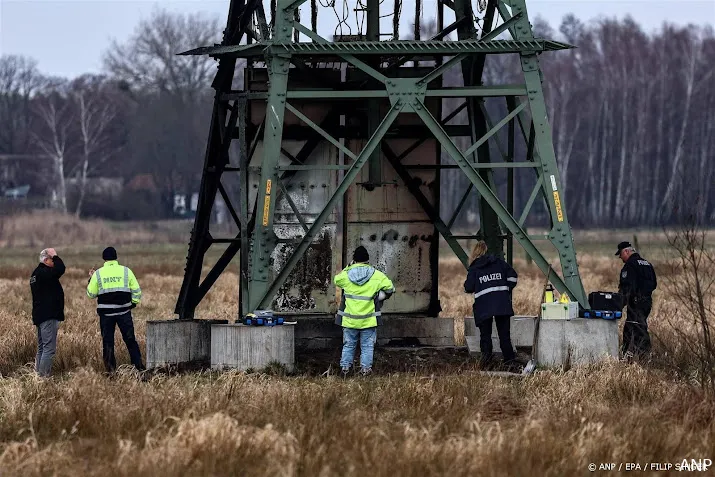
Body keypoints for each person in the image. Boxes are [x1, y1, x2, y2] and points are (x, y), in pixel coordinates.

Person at [334, 246, 395, 377]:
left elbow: (336, 280)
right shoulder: (376, 275)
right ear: (367, 260)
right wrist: (382, 296)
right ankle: (365, 371)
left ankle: (345, 370)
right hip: (369, 320)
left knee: (349, 345)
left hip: (350, 320)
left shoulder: (346, 275)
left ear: (354, 260)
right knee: (367, 346)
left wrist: (348, 267)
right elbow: (390, 288)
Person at [86, 247, 145, 372]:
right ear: (116, 257)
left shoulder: (98, 274)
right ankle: (139, 368)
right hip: (124, 312)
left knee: (108, 342)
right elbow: (137, 291)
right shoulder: (126, 271)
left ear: (104, 258)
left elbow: (91, 294)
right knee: (130, 340)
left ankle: (111, 372)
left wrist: (91, 278)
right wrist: (133, 303)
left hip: (106, 315)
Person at [464, 240, 518, 369]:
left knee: (485, 336)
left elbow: (468, 287)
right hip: (502, 304)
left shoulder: (475, 267)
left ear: (475, 253)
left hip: (484, 306)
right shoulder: (500, 263)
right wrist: (505, 289)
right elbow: (513, 278)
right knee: (504, 336)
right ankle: (509, 362)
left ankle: (487, 363)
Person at [616, 241, 657, 360]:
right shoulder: (647, 264)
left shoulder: (630, 266)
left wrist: (618, 305)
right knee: (634, 327)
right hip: (647, 302)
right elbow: (654, 284)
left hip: (635, 303)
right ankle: (629, 356)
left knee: (637, 329)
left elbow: (626, 288)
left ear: (626, 251)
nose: (620, 257)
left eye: (620, 254)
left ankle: (643, 357)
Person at [29, 248, 66, 377]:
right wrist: (55, 255)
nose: (54, 262)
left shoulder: (36, 273)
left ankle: (37, 378)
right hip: (48, 315)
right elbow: (61, 269)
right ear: (46, 260)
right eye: (52, 260)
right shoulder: (45, 273)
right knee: (49, 349)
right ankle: (43, 380)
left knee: (42, 348)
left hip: (40, 315)